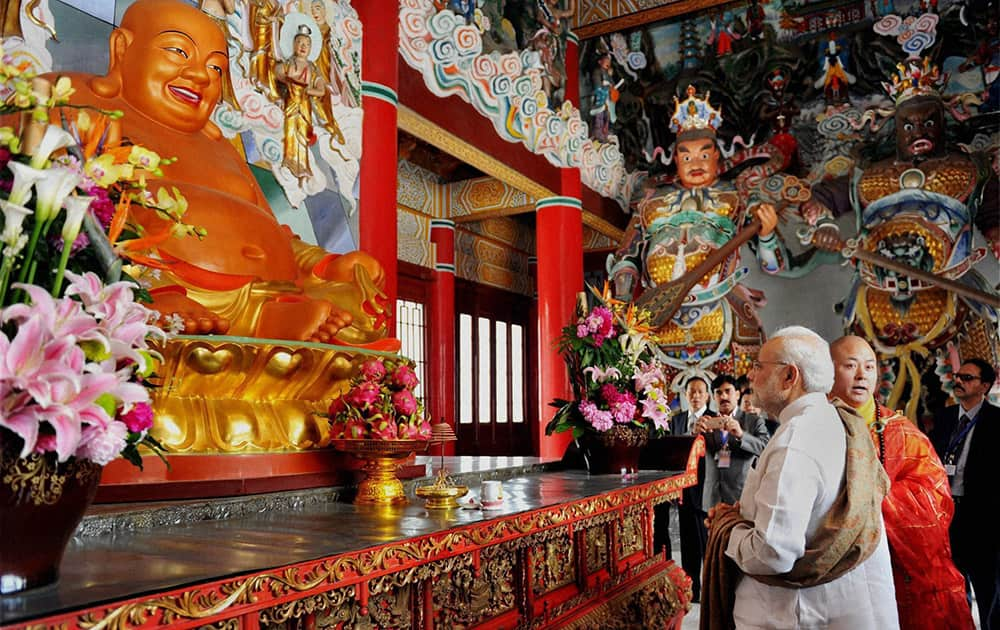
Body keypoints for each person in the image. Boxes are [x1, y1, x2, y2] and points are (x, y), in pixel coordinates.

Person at [42, 0, 393, 347]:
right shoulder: (73, 98)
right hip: (166, 289)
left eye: (215, 69)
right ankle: (177, 305)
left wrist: (326, 266)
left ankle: (270, 317)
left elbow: (275, 232)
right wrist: (152, 287)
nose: (199, 76)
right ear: (122, 48)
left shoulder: (220, 145)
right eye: (178, 52)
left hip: (269, 292)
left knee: (355, 313)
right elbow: (52, 204)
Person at [804, 56, 999, 420]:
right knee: (864, 393)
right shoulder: (873, 177)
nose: (918, 130)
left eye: (928, 121)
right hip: (876, 293)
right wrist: (824, 222)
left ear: (943, 122)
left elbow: (992, 212)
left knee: (975, 382)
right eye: (908, 125)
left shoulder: (966, 169)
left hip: (951, 285)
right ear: (895, 128)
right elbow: (823, 198)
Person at [710, 326, 898, 629]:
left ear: (789, 377)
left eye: (759, 366)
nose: (751, 377)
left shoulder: (795, 441)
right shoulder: (832, 417)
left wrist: (727, 530)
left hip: (803, 612)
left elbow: (773, 553)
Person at [608, 85, 787, 378]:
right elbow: (627, 256)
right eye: (686, 156)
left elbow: (772, 264)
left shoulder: (737, 195)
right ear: (675, 159)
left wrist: (766, 234)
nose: (696, 164)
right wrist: (624, 301)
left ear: (718, 155)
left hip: (722, 306)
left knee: (741, 396)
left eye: (704, 155)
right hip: (656, 315)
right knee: (652, 401)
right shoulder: (651, 200)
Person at [830, 335, 973, 630]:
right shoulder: (812, 428)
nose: (861, 375)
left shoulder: (901, 434)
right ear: (828, 372)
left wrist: (867, 500)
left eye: (869, 367)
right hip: (833, 572)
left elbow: (935, 503)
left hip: (899, 572)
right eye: (850, 366)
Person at [930, 358, 1000, 630]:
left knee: (988, 591)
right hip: (947, 515)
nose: (958, 381)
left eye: (967, 378)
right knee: (954, 587)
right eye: (958, 376)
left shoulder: (996, 421)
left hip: (983, 519)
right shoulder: (944, 417)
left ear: (984, 386)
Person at [655, 376, 714, 602]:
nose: (696, 396)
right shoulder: (676, 421)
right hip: (683, 490)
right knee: (688, 543)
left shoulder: (715, 420)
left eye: (700, 392)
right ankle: (693, 590)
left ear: (707, 395)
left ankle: (710, 589)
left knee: (707, 543)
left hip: (706, 489)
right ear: (685, 395)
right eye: (692, 392)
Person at [697, 374, 769, 515]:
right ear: (713, 397)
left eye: (727, 391)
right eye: (718, 392)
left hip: (742, 497)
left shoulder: (753, 421)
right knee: (714, 537)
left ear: (737, 394)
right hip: (713, 498)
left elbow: (765, 448)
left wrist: (741, 434)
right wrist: (693, 434)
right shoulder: (706, 422)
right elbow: (689, 453)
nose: (723, 396)